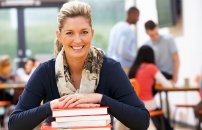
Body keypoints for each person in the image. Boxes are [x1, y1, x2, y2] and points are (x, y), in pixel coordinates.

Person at [8, 1, 150, 130]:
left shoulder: (110, 69)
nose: (77, 40)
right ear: (59, 36)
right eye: (69, 33)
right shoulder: (45, 72)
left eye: (84, 32)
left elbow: (142, 121)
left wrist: (100, 99)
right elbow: (15, 124)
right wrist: (51, 106)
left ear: (92, 34)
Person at [128, 45, 173, 130]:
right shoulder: (151, 67)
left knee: (155, 113)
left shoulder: (134, 68)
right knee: (159, 116)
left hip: (134, 105)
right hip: (147, 104)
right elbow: (167, 84)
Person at [107, 7, 139, 75]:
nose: (138, 19)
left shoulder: (115, 27)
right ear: (132, 14)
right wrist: (137, 59)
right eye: (137, 16)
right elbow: (123, 51)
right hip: (124, 67)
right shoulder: (128, 30)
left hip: (112, 65)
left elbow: (110, 49)